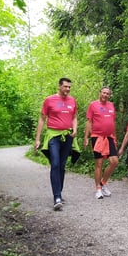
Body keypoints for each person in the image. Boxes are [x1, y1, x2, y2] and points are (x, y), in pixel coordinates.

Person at [34, 77, 79, 211]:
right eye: (65, 86)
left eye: (69, 87)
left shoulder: (72, 100)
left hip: (67, 136)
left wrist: (75, 129)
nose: (68, 89)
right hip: (53, 136)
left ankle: (59, 192)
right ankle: (57, 197)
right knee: (55, 164)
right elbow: (42, 119)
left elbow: (74, 117)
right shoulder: (49, 100)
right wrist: (37, 139)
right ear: (59, 86)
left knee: (62, 166)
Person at [84, 86, 119, 199]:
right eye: (104, 93)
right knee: (99, 163)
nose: (105, 95)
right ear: (100, 93)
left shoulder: (111, 105)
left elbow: (113, 122)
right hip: (97, 137)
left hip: (109, 137)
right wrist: (86, 137)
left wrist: (115, 137)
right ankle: (98, 189)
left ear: (109, 95)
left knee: (114, 161)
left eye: (107, 94)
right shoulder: (93, 105)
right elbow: (89, 122)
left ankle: (103, 183)